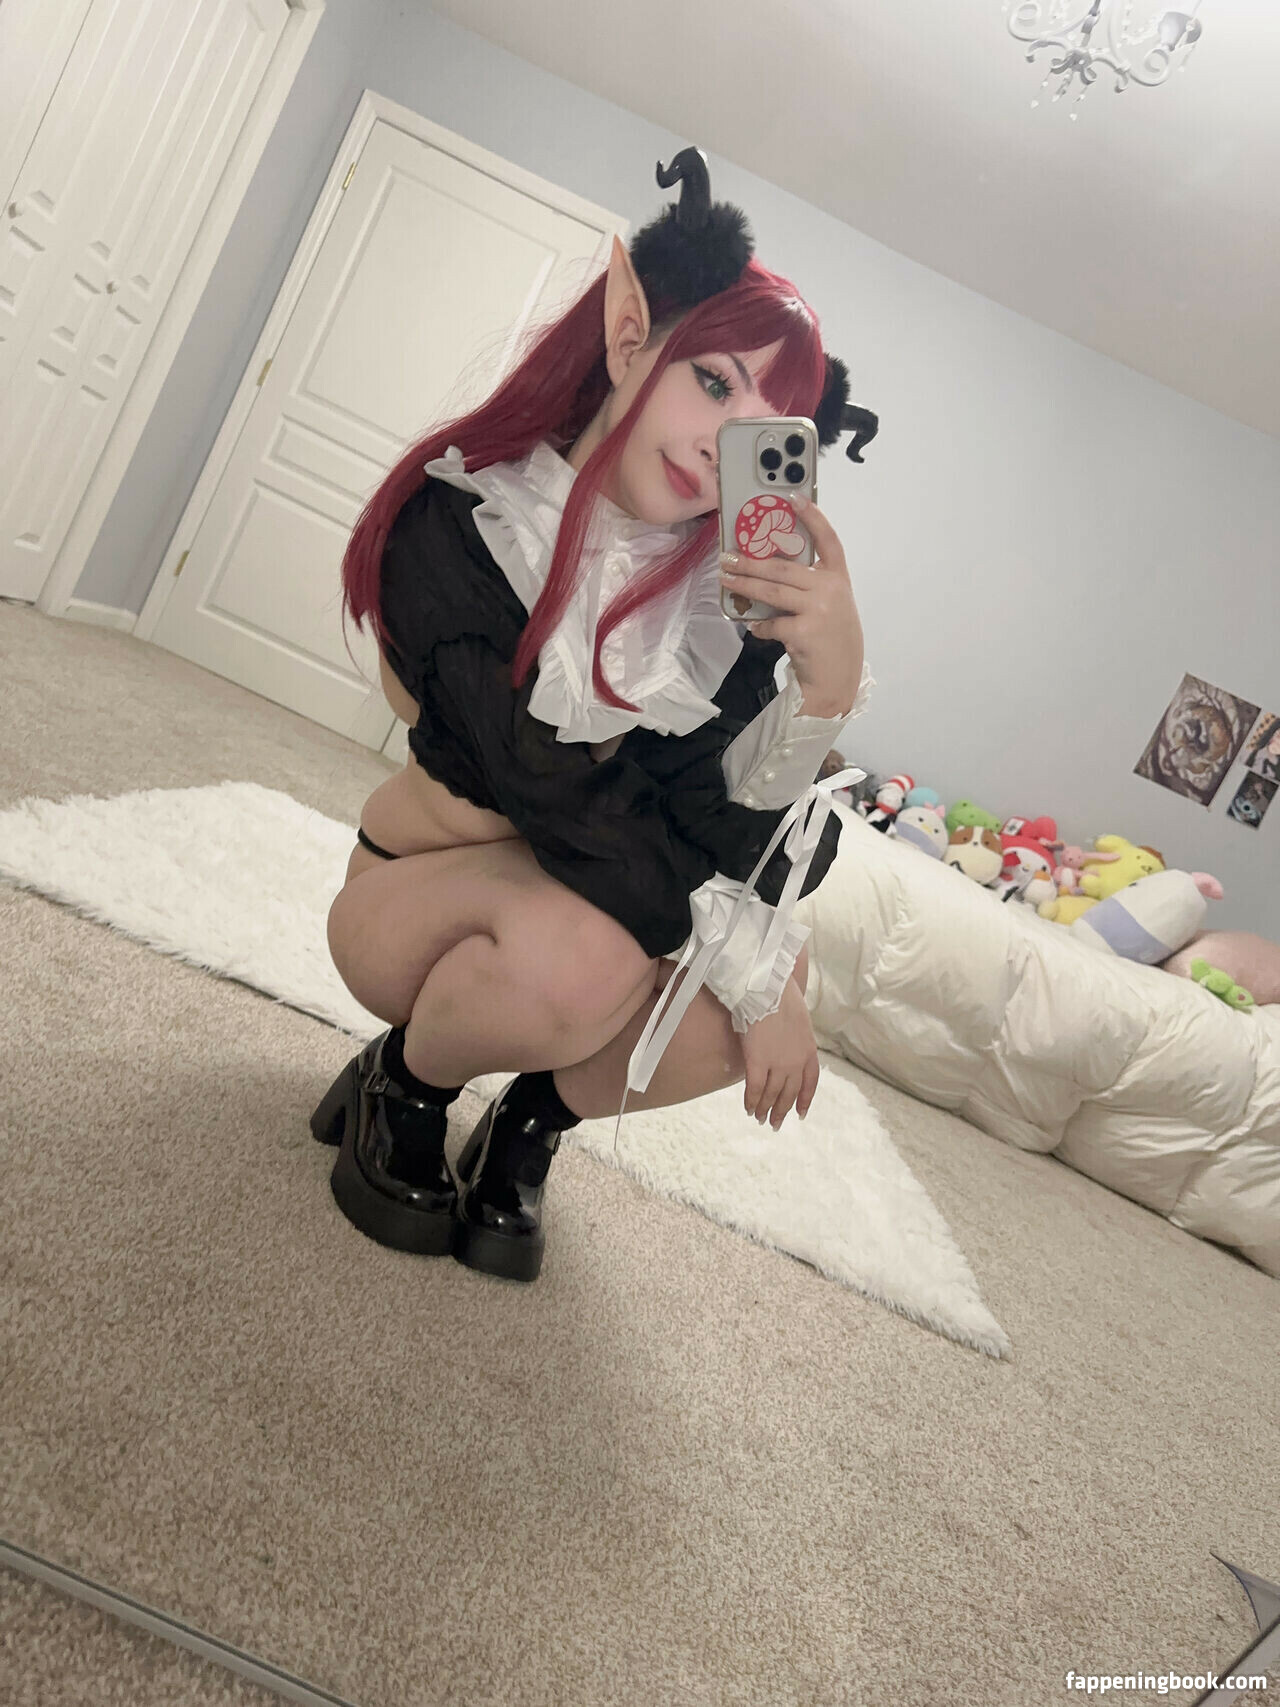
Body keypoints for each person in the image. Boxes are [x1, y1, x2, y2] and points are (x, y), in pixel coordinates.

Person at [311, 147, 877, 1283]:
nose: (721, 443)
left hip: (571, 909)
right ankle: (403, 1083)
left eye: (764, 428)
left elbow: (760, 853)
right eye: (713, 383)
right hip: (414, 904)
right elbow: (577, 812)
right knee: (616, 952)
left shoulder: (716, 610)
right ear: (630, 336)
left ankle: (528, 1125)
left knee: (745, 979)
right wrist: (752, 966)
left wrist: (822, 695)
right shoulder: (459, 524)